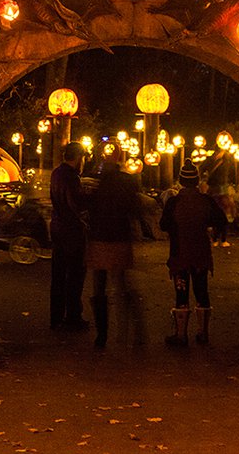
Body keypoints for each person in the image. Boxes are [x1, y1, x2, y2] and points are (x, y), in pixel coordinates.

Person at [160, 160, 228, 346]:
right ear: (197, 181)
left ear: (181, 181)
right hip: (200, 253)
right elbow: (221, 220)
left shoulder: (174, 202)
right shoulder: (206, 201)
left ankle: (181, 335)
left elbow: (163, 225)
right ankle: (202, 333)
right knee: (201, 290)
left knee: (181, 292)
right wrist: (209, 230)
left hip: (179, 253)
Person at [85, 146, 145, 348]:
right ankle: (131, 330)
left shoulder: (96, 183)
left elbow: (88, 206)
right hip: (119, 236)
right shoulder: (128, 182)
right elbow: (136, 208)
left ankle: (102, 335)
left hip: (99, 237)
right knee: (122, 284)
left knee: (99, 286)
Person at [49, 142, 88, 331]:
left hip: (57, 227)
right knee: (74, 275)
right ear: (79, 158)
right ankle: (73, 316)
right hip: (71, 231)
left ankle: (55, 316)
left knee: (58, 274)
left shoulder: (56, 173)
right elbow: (75, 204)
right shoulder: (72, 177)